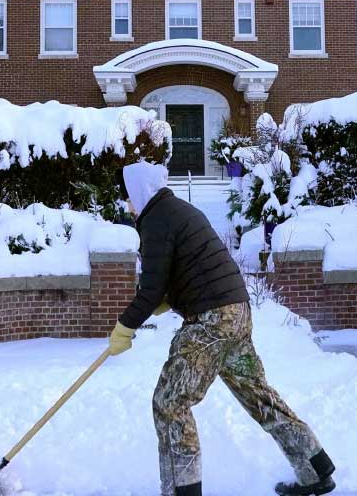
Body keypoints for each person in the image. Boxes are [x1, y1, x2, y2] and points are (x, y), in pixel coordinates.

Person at [109, 162, 337, 496]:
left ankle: (181, 491)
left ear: (139, 191)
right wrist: (163, 300)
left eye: (127, 197)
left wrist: (125, 326)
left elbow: (152, 285)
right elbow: (185, 270)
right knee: (258, 395)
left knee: (170, 401)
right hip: (236, 313)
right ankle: (315, 467)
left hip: (212, 321)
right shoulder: (179, 210)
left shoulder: (156, 219)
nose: (127, 205)